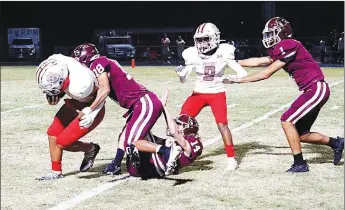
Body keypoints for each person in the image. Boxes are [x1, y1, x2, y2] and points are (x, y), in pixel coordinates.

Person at [226, 17, 344, 172]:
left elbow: (266, 73)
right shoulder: (283, 47)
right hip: (313, 90)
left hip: (315, 89)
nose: (268, 38)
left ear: (283, 32)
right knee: (301, 134)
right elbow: (259, 61)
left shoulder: (289, 44)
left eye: (271, 34)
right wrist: (232, 62)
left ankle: (300, 164)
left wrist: (238, 81)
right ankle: (336, 143)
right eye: (267, 35)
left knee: (287, 120)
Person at [71, 43, 182, 176]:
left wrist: (89, 110)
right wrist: (92, 113)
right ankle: (116, 164)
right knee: (124, 135)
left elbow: (104, 90)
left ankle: (167, 151)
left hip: (142, 102)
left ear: (85, 58)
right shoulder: (104, 63)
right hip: (138, 104)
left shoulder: (97, 63)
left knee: (133, 142)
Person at [174, 22, 248, 171]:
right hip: (198, 93)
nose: (202, 43)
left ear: (214, 38)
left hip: (217, 93)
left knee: (222, 125)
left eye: (205, 39)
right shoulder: (192, 54)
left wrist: (230, 79)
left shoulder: (224, 51)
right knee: (180, 122)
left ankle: (231, 158)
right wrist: (181, 75)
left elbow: (243, 74)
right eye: (199, 40)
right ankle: (181, 151)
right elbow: (183, 81)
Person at [35, 54, 105, 180]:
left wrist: (91, 113)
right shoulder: (57, 60)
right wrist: (58, 94)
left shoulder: (80, 87)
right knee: (53, 133)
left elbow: (101, 96)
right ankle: (56, 172)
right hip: (76, 102)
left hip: (92, 108)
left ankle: (91, 149)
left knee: (63, 142)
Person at [123, 90, 203, 179]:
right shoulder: (188, 141)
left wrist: (163, 107)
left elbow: (174, 133)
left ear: (188, 127)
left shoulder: (192, 141)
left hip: (159, 166)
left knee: (135, 141)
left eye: (179, 125)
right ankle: (118, 161)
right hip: (148, 168)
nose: (176, 126)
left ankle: (166, 151)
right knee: (133, 127)